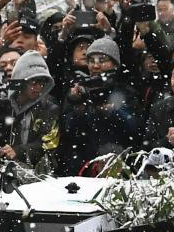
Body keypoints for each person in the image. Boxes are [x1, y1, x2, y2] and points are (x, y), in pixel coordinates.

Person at [59, 37, 139, 175]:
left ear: (115, 64)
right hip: (82, 165)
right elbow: (67, 131)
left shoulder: (125, 91)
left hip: (117, 163)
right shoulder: (79, 90)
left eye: (102, 61)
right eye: (91, 61)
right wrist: (78, 107)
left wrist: (112, 111)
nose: (95, 66)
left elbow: (134, 127)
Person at [0, 51, 61, 171]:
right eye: (34, 81)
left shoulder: (50, 109)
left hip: (37, 173)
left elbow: (49, 144)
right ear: (20, 81)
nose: (38, 87)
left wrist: (19, 151)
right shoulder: (1, 104)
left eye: (43, 82)